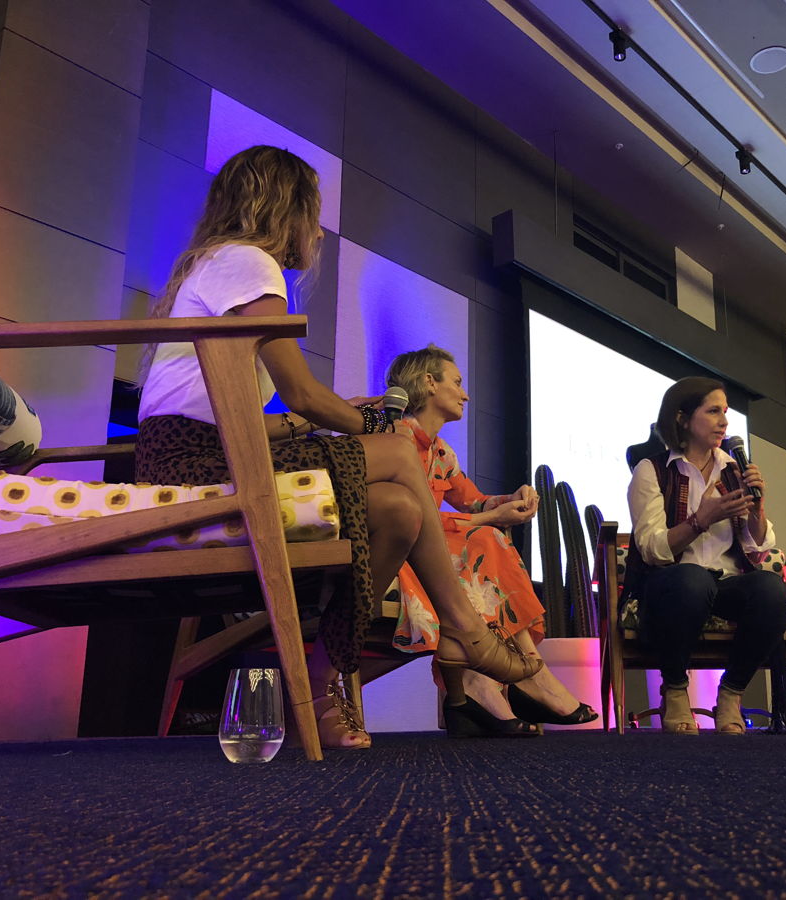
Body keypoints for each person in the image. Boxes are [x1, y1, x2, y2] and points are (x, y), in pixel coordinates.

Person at [134, 145, 540, 750]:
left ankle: (326, 681)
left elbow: (255, 424)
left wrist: (337, 417)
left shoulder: (221, 262)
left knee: (399, 509)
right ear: (285, 208)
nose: (318, 231)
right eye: (313, 214)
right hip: (195, 463)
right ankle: (461, 625)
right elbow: (300, 392)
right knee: (397, 451)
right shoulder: (249, 263)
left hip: (207, 451)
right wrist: (361, 421)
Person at [385, 345, 597, 737]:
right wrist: (490, 519)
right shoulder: (395, 438)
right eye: (457, 382)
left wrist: (512, 499)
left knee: (486, 537)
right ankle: (518, 675)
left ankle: (509, 674)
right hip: (400, 551)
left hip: (433, 549)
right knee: (484, 538)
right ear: (429, 383)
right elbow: (415, 518)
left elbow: (475, 502)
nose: (465, 394)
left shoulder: (441, 452)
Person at [626, 376, 786, 735]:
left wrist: (758, 508)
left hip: (725, 584)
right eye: (713, 411)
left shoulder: (733, 470)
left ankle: (731, 693)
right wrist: (701, 520)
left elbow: (758, 547)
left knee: (771, 590)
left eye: (725, 412)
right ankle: (675, 689)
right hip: (671, 584)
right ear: (683, 418)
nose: (724, 422)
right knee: (693, 579)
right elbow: (652, 549)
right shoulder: (651, 470)